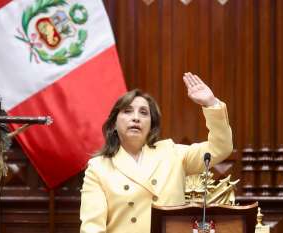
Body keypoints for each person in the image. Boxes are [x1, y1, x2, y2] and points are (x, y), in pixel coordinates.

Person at [79, 72, 233, 233]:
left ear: (152, 125)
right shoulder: (98, 167)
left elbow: (220, 148)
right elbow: (92, 228)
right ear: (114, 124)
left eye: (144, 113)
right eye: (127, 111)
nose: (136, 118)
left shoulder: (172, 153)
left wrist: (210, 103)